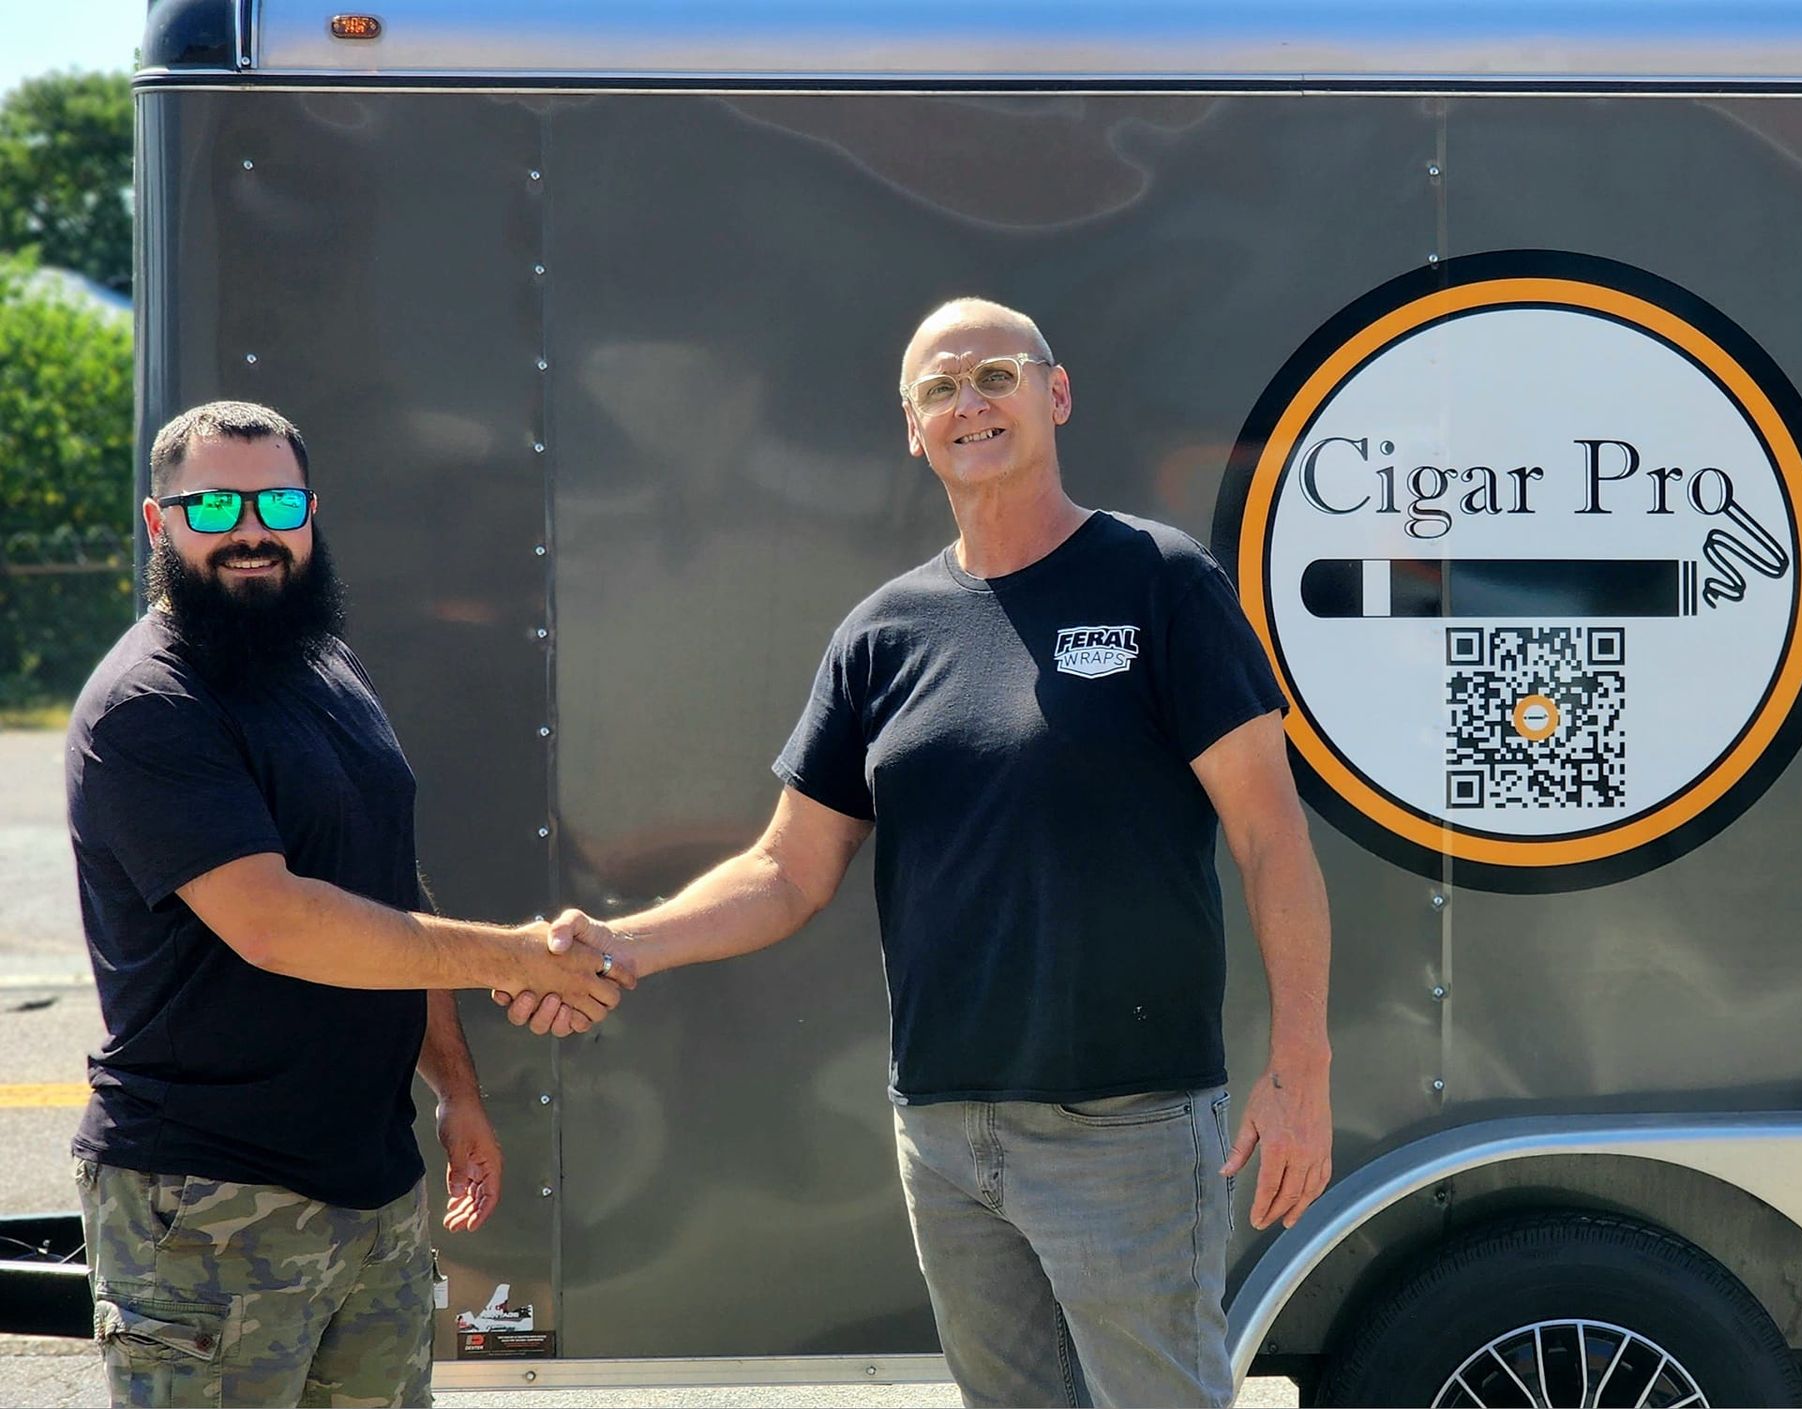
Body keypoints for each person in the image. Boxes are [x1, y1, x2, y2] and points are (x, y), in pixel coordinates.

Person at [506, 299, 1334, 1407]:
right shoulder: (882, 634)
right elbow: (787, 869)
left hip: (1125, 1125)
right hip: (946, 1133)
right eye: (939, 389)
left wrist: (1302, 1068)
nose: (970, 403)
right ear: (911, 427)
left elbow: (1270, 833)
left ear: (1058, 393)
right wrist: (619, 945)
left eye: (995, 374)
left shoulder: (1160, 582)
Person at [66, 401, 632, 1409]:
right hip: (210, 1202)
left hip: (371, 1185)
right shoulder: (150, 707)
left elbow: (383, 886)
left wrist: (455, 1088)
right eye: (215, 505)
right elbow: (277, 920)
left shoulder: (319, 664)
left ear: (311, 515)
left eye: (278, 499)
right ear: (160, 525)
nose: (251, 528)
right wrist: (517, 956)